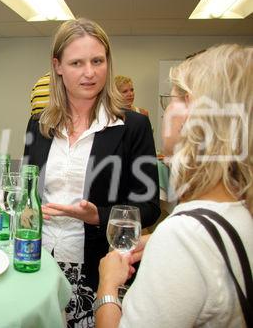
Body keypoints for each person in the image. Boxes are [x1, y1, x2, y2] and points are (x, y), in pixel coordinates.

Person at [96, 44, 252, 327]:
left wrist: (107, 286)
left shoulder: (183, 236)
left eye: (174, 98)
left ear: (195, 116)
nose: (166, 109)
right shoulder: (240, 211)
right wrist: (156, 242)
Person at [23, 18, 160, 327]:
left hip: (96, 267)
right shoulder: (39, 124)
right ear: (57, 66)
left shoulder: (132, 127)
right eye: (76, 62)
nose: (89, 72)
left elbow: (150, 208)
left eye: (97, 61)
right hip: (37, 260)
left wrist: (97, 215)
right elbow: (28, 191)